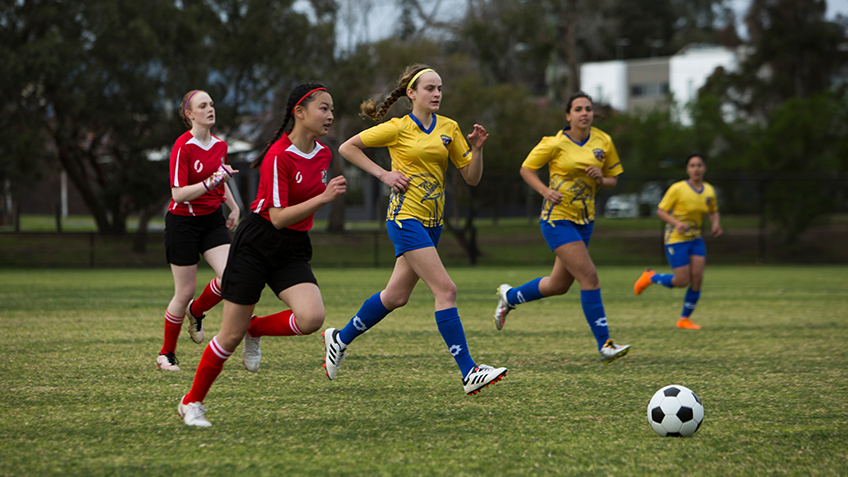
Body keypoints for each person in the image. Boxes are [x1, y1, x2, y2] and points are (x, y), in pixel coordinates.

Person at [322, 64, 507, 396]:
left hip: (433, 223)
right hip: (405, 218)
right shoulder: (398, 127)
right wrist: (384, 175)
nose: (437, 94)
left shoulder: (449, 127)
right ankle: (469, 371)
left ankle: (339, 338)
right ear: (412, 93)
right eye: (430, 88)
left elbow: (471, 177)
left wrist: (477, 150)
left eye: (440, 88)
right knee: (446, 290)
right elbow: (347, 147)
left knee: (396, 296)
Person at [177, 83, 346, 426]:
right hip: (257, 244)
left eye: (331, 109)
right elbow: (278, 217)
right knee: (229, 335)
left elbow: (294, 220)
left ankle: (255, 329)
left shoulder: (324, 154)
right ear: (300, 113)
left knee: (312, 318)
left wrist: (320, 199)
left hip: (292, 247)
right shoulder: (279, 155)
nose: (330, 115)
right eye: (324, 108)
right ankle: (191, 402)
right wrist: (324, 198)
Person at [493, 91, 630, 363]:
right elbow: (526, 169)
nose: (584, 113)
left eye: (588, 108)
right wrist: (545, 191)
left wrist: (601, 179)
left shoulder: (603, 141)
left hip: (585, 221)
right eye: (578, 109)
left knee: (558, 285)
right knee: (589, 277)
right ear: (568, 115)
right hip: (557, 220)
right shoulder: (554, 143)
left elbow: (612, 180)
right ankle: (605, 345)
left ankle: (510, 297)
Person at [159, 89, 239, 372]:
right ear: (189, 114)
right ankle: (166, 354)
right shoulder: (183, 146)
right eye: (203, 106)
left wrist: (234, 207)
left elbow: (221, 178)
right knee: (184, 291)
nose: (210, 109)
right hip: (182, 223)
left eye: (211, 104)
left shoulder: (220, 145)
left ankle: (196, 310)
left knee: (232, 276)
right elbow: (178, 194)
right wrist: (211, 182)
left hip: (212, 220)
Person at [633, 154, 722, 330]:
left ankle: (684, 319)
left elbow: (713, 210)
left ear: (704, 168)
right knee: (682, 281)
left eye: (699, 165)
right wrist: (676, 223)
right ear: (687, 169)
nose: (696, 169)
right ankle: (651, 277)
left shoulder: (709, 191)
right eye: (692, 165)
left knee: (697, 279)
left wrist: (715, 223)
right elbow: (661, 211)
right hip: (676, 239)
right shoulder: (677, 188)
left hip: (695, 239)